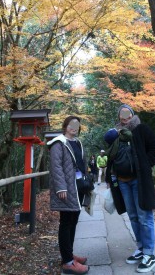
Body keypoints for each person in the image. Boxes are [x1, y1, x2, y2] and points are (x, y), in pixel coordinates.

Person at [105, 104, 155, 273]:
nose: (125, 116)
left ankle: (149, 254)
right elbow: (111, 156)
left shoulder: (141, 129)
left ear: (131, 114)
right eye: (122, 113)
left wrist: (145, 165)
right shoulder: (115, 133)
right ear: (119, 116)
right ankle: (141, 248)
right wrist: (109, 177)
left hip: (139, 181)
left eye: (127, 112)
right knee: (133, 216)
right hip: (122, 181)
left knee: (144, 215)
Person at [47, 116, 90, 275]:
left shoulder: (77, 143)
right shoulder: (58, 143)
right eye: (71, 124)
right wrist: (60, 188)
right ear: (65, 126)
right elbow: (56, 167)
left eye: (77, 125)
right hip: (66, 188)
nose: (74, 127)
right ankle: (67, 262)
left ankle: (69, 254)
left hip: (77, 186)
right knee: (66, 222)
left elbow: (82, 164)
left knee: (73, 220)